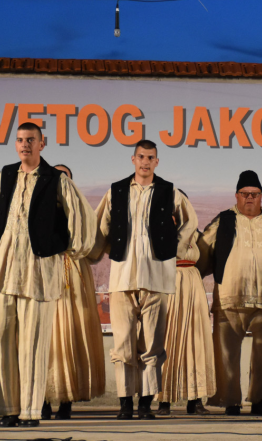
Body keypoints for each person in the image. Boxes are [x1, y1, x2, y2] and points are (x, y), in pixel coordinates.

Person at [0, 123, 96, 427]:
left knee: (34, 342)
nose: (25, 145)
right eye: (20, 140)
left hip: (39, 269)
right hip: (5, 269)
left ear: (41, 144)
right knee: (1, 337)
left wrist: (64, 247)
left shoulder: (56, 179)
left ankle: (30, 411)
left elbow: (81, 217)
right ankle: (9, 408)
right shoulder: (6, 175)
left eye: (31, 140)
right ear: (16, 144)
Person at [89, 139, 197, 420]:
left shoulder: (170, 191)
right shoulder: (116, 190)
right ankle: (125, 403)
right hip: (122, 278)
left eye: (150, 158)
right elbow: (100, 226)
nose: (145, 162)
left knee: (152, 344)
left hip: (156, 277)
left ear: (156, 162)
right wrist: (105, 251)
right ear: (133, 159)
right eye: (141, 157)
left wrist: (174, 250)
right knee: (123, 344)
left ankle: (146, 404)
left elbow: (190, 222)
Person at [202, 170, 262, 416]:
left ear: (261, 196)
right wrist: (217, 274)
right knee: (226, 354)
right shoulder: (222, 221)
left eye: (254, 193)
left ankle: (259, 400)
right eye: (245, 194)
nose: (250, 198)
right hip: (229, 297)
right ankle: (230, 400)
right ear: (236, 195)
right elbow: (204, 250)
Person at [40, 164, 107, 420]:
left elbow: (95, 248)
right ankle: (43, 397)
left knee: (74, 331)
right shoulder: (38, 211)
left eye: (64, 178)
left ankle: (68, 399)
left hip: (75, 272)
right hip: (44, 272)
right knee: (45, 336)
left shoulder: (83, 212)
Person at [156, 217, 216, 416]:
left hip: (192, 283)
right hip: (168, 282)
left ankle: (195, 399)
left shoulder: (194, 235)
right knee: (168, 338)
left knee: (195, 341)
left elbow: (206, 259)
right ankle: (164, 399)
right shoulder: (155, 232)